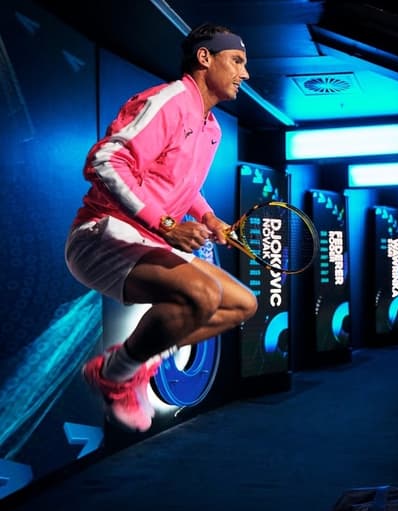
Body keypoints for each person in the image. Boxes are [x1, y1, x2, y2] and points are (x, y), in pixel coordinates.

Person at [64, 23, 258, 433]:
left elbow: (182, 184)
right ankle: (115, 374)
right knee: (202, 296)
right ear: (205, 58)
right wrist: (167, 224)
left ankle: (138, 361)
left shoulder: (212, 128)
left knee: (243, 304)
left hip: (145, 240)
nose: (245, 74)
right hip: (100, 236)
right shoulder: (169, 100)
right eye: (237, 61)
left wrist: (208, 217)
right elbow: (105, 162)